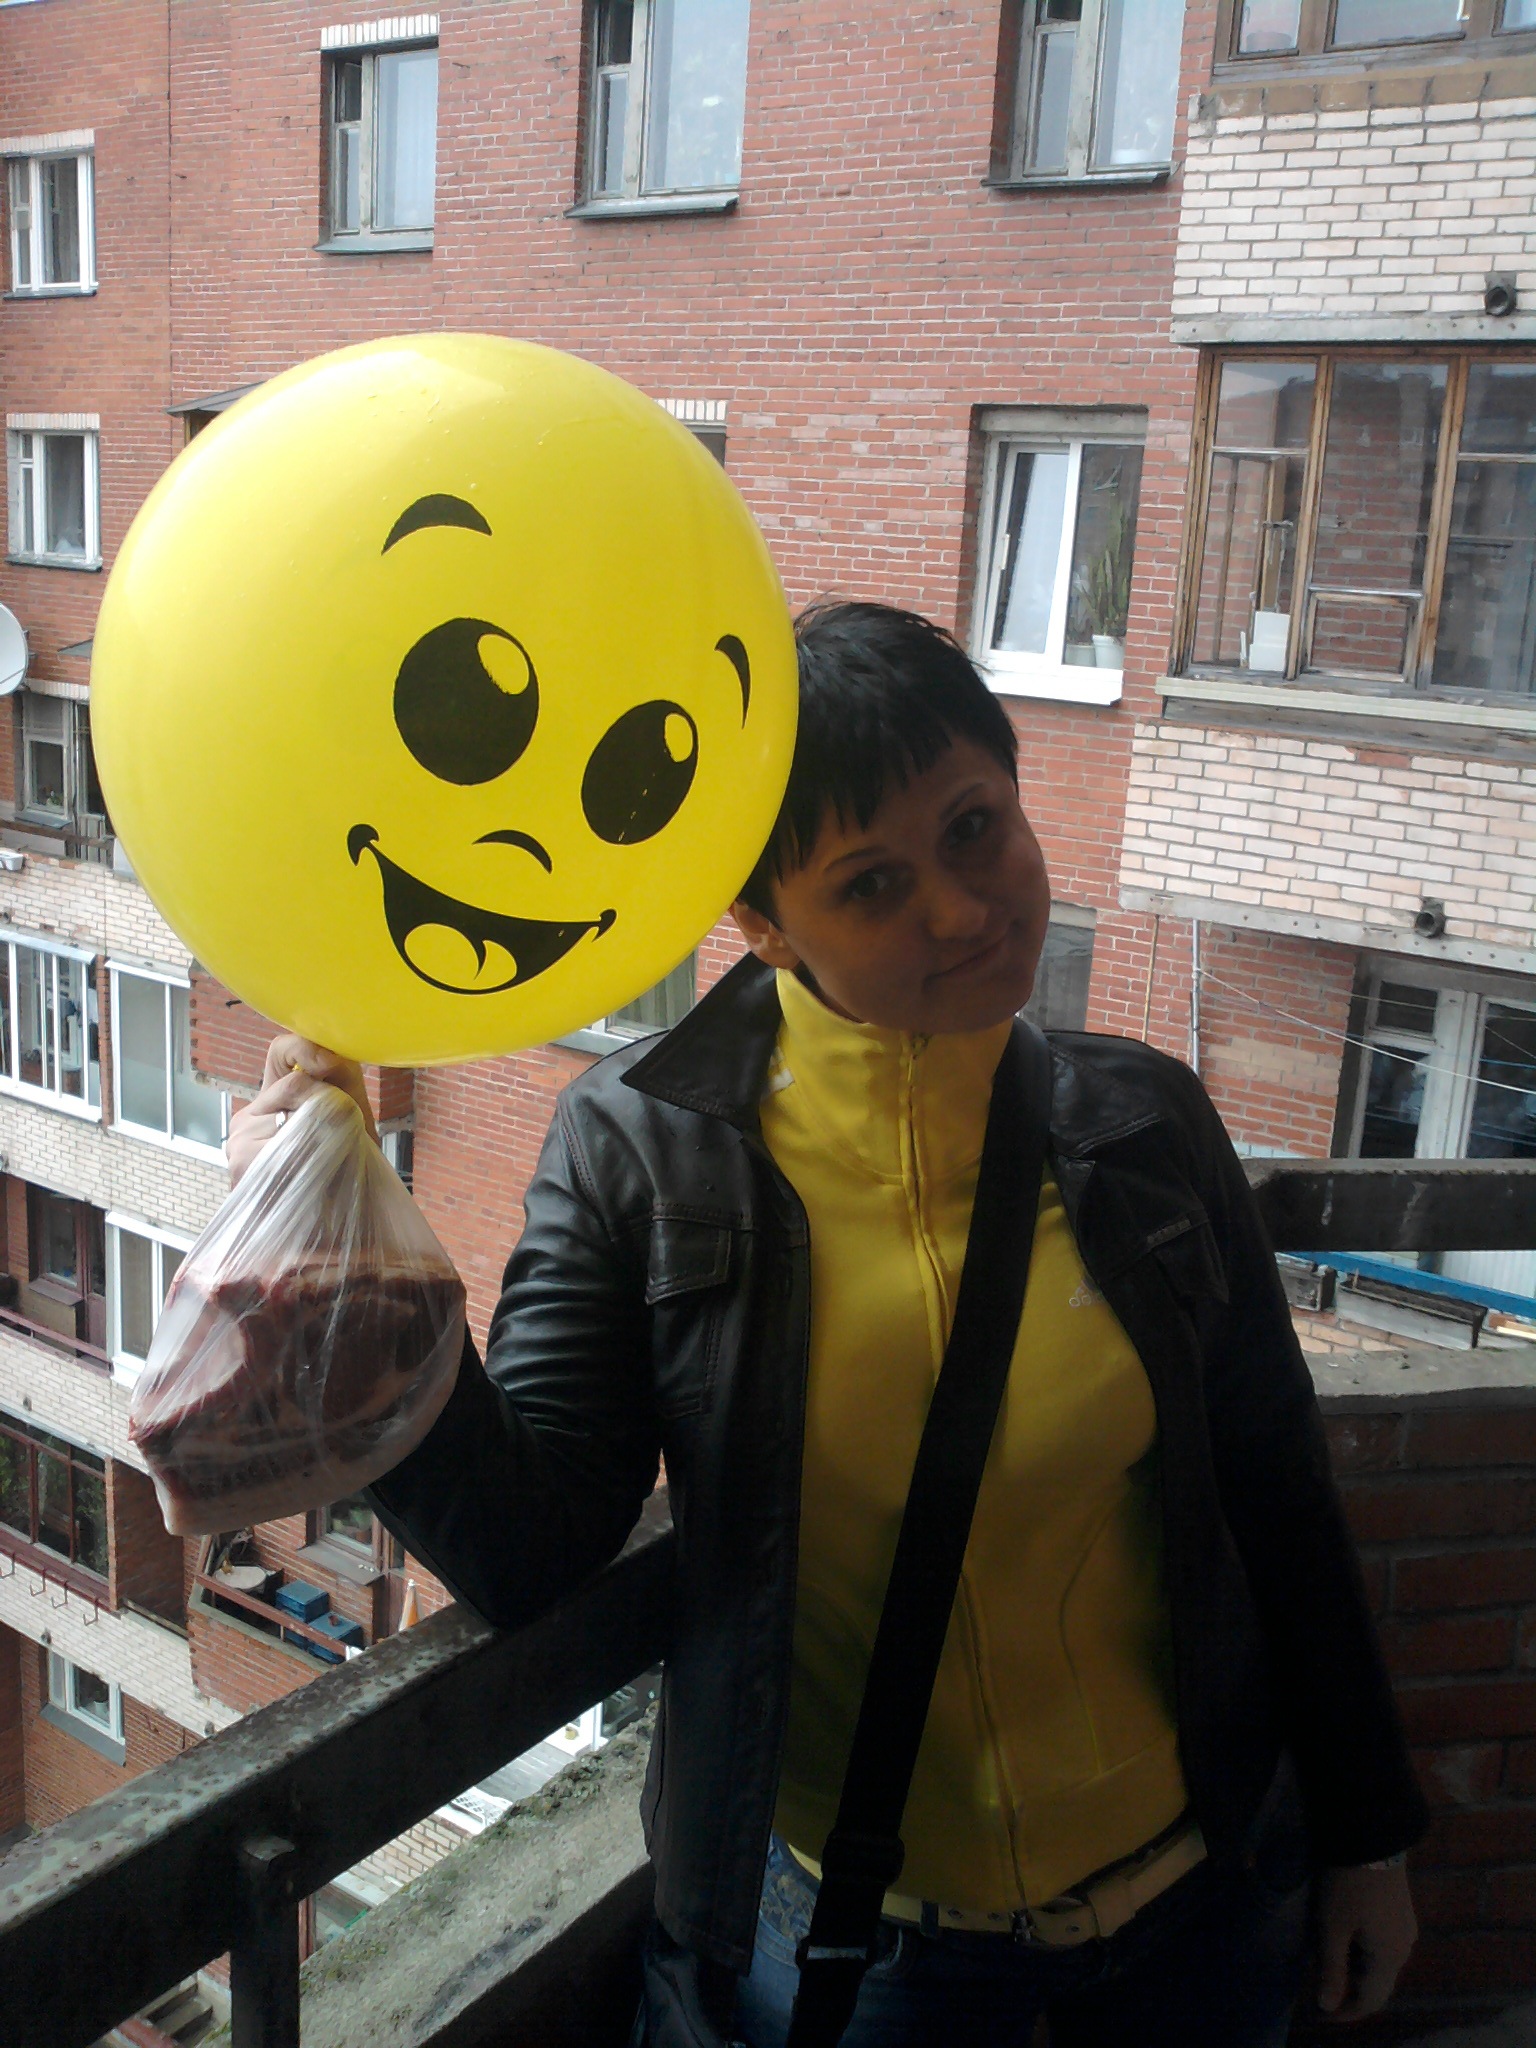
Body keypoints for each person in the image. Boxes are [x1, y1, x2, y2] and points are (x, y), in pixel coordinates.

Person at [230, 603, 1426, 2047]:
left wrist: (1369, 1838)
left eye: (975, 829)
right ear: (765, 928)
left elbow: (1279, 1492)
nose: (961, 909)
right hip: (869, 1965)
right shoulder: (639, 1153)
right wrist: (345, 1264)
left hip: (1204, 1915)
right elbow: (533, 1542)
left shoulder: (1145, 1124)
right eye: (871, 884)